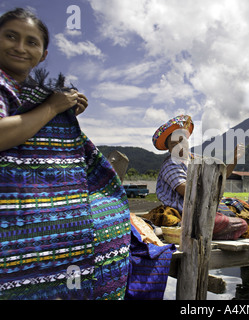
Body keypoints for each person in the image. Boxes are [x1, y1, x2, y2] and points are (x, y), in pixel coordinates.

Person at [0, 8, 131, 300]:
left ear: (44, 54)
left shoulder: (23, 90)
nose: (20, 47)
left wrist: (62, 115)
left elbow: (33, 141)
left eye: (31, 42)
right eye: (11, 36)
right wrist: (52, 109)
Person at [147, 115, 249, 240]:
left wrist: (234, 159)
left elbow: (219, 178)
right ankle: (206, 229)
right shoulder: (171, 164)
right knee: (237, 222)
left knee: (241, 208)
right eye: (174, 144)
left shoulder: (194, 158)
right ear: (169, 149)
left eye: (181, 140)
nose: (179, 146)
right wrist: (209, 187)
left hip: (202, 204)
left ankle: (218, 227)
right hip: (185, 210)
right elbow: (188, 192)